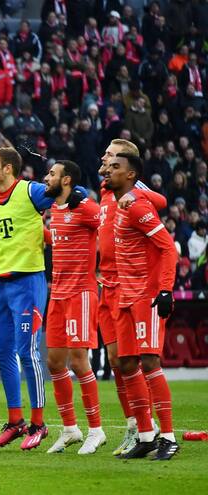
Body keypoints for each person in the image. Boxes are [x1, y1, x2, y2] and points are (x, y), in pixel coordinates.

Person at [0, 147, 86, 451]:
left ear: (8, 169)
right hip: (3, 285)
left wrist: (80, 194)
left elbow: (66, 188)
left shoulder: (29, 191)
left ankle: (39, 423)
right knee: (2, 354)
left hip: (29, 282)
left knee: (27, 353)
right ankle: (16, 421)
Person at [94, 139, 167, 456]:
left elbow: (161, 200)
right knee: (118, 361)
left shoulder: (135, 193)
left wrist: (137, 192)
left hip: (130, 285)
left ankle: (152, 428)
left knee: (142, 360)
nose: (105, 160)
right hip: (106, 284)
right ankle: (135, 427)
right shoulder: (105, 191)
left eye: (110, 156)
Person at [105, 153, 179, 461]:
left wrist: (165, 290)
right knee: (126, 365)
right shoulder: (118, 200)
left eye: (115, 167)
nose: (108, 170)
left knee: (149, 362)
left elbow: (168, 248)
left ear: (132, 175)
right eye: (108, 166)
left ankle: (169, 437)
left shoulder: (137, 206)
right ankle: (146, 436)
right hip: (125, 295)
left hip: (146, 296)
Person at [42, 161, 106, 454]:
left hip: (81, 293)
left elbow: (109, 226)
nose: (47, 177)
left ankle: (96, 430)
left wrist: (106, 267)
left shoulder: (86, 208)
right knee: (54, 362)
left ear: (66, 179)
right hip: (56, 293)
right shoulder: (54, 209)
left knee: (79, 361)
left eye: (52, 174)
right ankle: (70, 429)